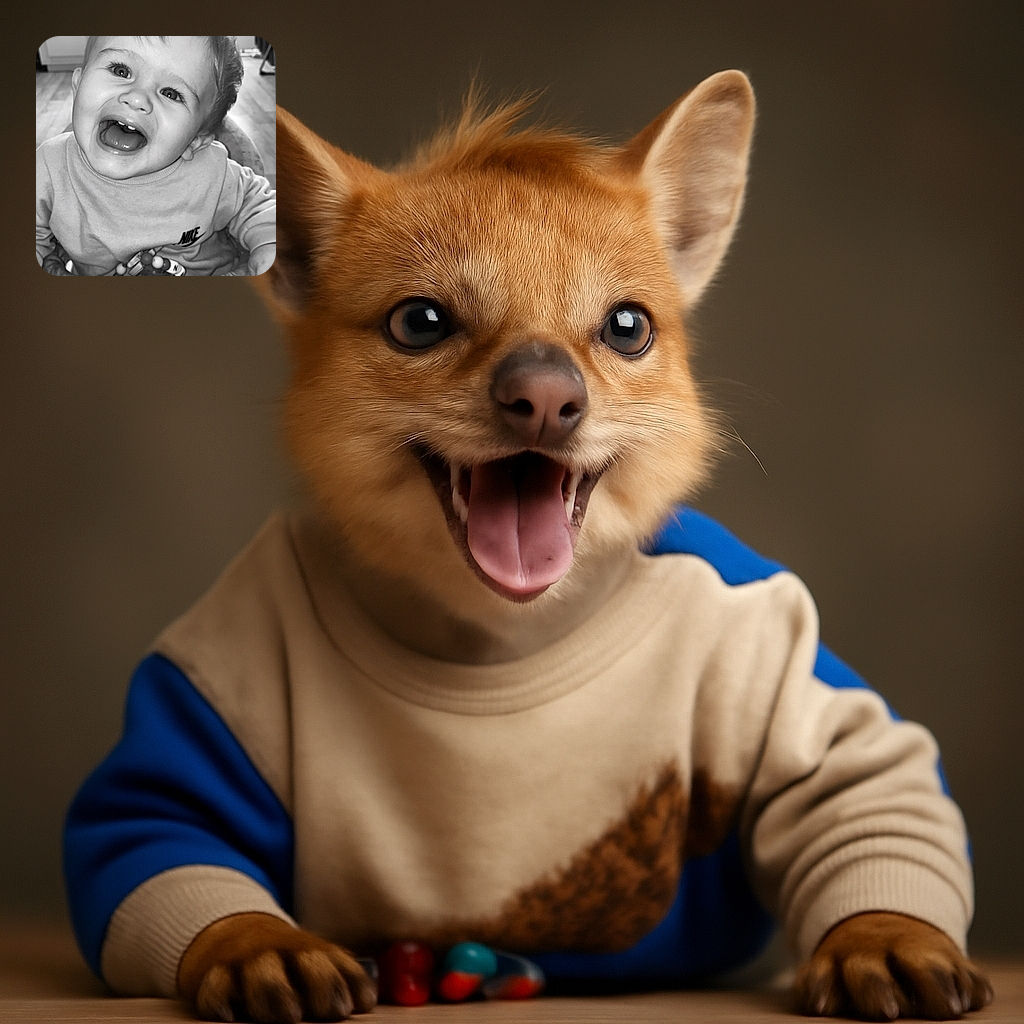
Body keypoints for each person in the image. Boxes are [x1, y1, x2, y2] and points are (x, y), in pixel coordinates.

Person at [36, 36, 275, 276]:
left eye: (171, 93)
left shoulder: (212, 173)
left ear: (195, 141)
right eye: (121, 70)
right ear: (77, 85)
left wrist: (268, 248)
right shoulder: (48, 168)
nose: (138, 97)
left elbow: (261, 207)